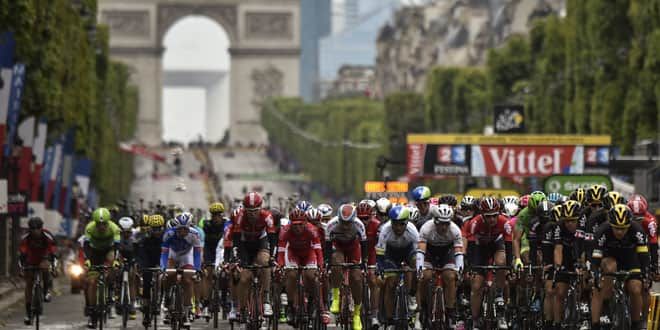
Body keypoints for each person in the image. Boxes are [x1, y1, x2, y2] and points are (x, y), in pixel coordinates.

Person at [591, 204, 649, 330]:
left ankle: (636, 323)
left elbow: (644, 255)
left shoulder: (637, 230)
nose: (620, 232)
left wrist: (645, 275)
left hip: (630, 260)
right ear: (610, 224)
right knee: (610, 268)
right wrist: (595, 274)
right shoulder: (602, 230)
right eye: (616, 228)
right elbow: (595, 257)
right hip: (609, 258)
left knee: (635, 289)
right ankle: (604, 309)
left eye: (623, 229)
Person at [276, 209, 328, 324]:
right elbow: (281, 250)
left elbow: (318, 249)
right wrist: (280, 265)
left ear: (305, 222)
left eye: (300, 224)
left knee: (311, 275)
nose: (297, 227)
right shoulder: (285, 230)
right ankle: (290, 306)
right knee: (292, 275)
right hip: (293, 253)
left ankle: (316, 305)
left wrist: (320, 265)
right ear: (291, 224)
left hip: (309, 253)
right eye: (295, 225)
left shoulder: (312, 229)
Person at [230, 192, 277, 320]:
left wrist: (273, 257)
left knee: (265, 262)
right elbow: (236, 240)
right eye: (249, 211)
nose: (252, 214)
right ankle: (242, 307)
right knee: (244, 278)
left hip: (260, 243)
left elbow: (273, 239)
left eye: (255, 211)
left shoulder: (267, 216)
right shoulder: (240, 216)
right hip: (244, 245)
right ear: (244, 209)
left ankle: (266, 300)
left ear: (261, 208)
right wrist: (237, 258)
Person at [417, 204, 464, 328]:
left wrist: (459, 269)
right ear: (435, 221)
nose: (444, 227)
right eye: (441, 223)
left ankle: (450, 312)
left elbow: (459, 253)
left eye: (446, 223)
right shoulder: (426, 228)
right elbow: (421, 252)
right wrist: (419, 268)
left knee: (450, 277)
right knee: (424, 276)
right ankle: (422, 307)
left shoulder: (455, 230)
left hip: (447, 253)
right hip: (430, 253)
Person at [468, 197, 509, 330]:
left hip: (497, 246)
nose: (492, 219)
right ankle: (475, 320)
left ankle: (499, 295)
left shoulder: (504, 221)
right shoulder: (475, 223)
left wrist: (510, 265)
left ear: (499, 213)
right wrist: (471, 266)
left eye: (494, 216)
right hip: (480, 249)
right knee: (476, 286)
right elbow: (471, 246)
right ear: (482, 215)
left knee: (502, 262)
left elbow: (509, 245)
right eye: (488, 216)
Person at [376, 204, 421, 326]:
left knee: (416, 264)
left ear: (407, 222)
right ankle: (390, 320)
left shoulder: (412, 231)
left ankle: (411, 295)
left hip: (408, 252)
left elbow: (419, 254)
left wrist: (417, 270)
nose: (397, 227)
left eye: (401, 224)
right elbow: (380, 255)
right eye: (394, 223)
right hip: (391, 255)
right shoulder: (385, 231)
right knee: (391, 283)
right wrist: (380, 270)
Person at [326, 204, 368, 330]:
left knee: (356, 278)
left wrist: (364, 262)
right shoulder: (331, 225)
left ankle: (356, 314)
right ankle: (336, 297)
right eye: (342, 223)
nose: (344, 226)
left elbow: (364, 244)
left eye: (348, 223)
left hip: (354, 249)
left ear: (353, 219)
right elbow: (327, 245)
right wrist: (328, 262)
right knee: (336, 261)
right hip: (338, 247)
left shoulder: (359, 225)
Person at [160, 212, 202, 327]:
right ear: (175, 228)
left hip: (186, 256)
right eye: (180, 229)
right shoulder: (168, 234)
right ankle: (166, 297)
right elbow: (164, 253)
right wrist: (163, 268)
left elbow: (197, 254)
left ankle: (187, 312)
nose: (183, 232)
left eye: (185, 229)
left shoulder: (195, 234)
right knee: (168, 276)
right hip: (172, 255)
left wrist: (197, 269)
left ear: (190, 227)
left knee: (188, 281)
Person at [82, 207, 121, 329]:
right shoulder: (89, 228)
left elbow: (117, 247)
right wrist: (88, 260)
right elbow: (86, 247)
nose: (102, 226)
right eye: (99, 224)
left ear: (108, 222)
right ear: (95, 223)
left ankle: (110, 289)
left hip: (109, 250)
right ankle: (92, 313)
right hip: (94, 252)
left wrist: (115, 261)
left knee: (113, 265)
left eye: (104, 224)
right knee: (92, 281)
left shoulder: (114, 228)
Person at [19, 217, 57, 325]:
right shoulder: (25, 237)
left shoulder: (47, 236)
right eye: (33, 229)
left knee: (45, 267)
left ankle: (46, 291)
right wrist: (21, 269)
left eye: (38, 228)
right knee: (29, 284)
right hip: (31, 259)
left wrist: (54, 268)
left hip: (43, 258)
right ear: (29, 229)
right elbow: (22, 255)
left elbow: (53, 253)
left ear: (41, 228)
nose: (35, 231)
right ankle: (28, 313)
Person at [553, 201, 585, 329]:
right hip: (565, 257)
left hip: (581, 255)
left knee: (586, 283)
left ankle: (585, 313)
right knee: (560, 292)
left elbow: (586, 249)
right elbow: (558, 249)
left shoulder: (584, 224)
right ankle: (557, 323)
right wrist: (558, 267)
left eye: (573, 220)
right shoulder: (559, 226)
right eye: (567, 221)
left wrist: (582, 265)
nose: (569, 224)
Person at [198, 202, 230, 318]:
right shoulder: (205, 224)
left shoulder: (227, 223)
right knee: (208, 273)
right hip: (209, 249)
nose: (216, 217)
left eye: (218, 215)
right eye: (214, 215)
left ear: (222, 215)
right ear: (211, 216)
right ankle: (206, 301)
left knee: (226, 272)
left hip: (222, 249)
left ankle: (226, 297)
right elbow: (201, 240)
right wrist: (202, 257)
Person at [135, 214, 166, 327]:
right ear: (150, 229)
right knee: (147, 284)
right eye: (154, 228)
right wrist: (142, 266)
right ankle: (146, 309)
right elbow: (141, 255)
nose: (157, 231)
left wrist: (165, 265)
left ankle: (162, 299)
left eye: (159, 228)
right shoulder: (145, 240)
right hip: (149, 263)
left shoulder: (166, 239)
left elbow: (169, 253)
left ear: (163, 228)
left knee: (164, 280)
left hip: (162, 262)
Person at [356, 200, 381, 327]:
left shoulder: (377, 225)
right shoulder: (353, 225)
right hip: (356, 252)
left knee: (373, 280)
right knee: (355, 278)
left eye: (366, 218)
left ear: (371, 216)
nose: (363, 222)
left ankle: (374, 315)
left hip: (372, 252)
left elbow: (381, 246)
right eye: (360, 218)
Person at [117, 216, 138, 320]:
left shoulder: (135, 236)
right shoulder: (116, 236)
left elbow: (137, 252)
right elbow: (114, 251)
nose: (126, 234)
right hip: (119, 255)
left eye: (128, 232)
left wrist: (135, 263)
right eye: (123, 232)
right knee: (116, 271)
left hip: (131, 257)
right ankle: (115, 294)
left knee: (132, 278)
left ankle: (132, 304)